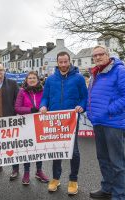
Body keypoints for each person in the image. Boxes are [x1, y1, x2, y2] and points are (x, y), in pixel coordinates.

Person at [87, 45, 125, 200]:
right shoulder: (96, 73)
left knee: (117, 162)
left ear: (108, 55)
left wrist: (110, 110)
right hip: (98, 122)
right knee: (103, 159)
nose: (98, 57)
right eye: (95, 56)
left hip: (113, 123)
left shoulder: (120, 71)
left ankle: (119, 195)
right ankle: (107, 188)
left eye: (101, 54)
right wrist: (90, 111)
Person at [40, 52, 88, 195]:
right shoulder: (50, 79)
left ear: (69, 61)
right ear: (57, 62)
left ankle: (73, 180)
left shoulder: (79, 78)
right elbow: (45, 98)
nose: (63, 65)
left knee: (74, 151)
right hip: (54, 121)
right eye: (60, 62)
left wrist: (82, 106)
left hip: (71, 120)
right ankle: (55, 178)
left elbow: (84, 97)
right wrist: (43, 106)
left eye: (65, 62)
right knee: (56, 150)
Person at [14, 71, 49, 185]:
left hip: (40, 124)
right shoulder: (22, 92)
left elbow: (48, 103)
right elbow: (17, 108)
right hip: (26, 125)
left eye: (34, 78)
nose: (32, 80)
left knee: (39, 148)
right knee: (27, 149)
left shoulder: (43, 91)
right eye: (30, 78)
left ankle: (39, 171)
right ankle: (26, 172)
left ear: (38, 79)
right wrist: (30, 110)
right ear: (26, 80)